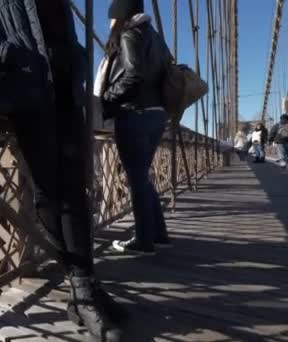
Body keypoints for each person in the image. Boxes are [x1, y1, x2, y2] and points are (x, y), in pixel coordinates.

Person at [0, 0, 122, 340]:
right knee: (51, 193)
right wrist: (14, 56)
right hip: (30, 95)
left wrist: (77, 58)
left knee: (76, 192)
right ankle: (84, 291)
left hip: (67, 95)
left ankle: (86, 289)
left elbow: (63, 32)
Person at [96, 0, 172, 255]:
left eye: (111, 17)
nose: (109, 23)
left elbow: (133, 75)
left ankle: (143, 241)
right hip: (156, 115)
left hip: (134, 114)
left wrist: (107, 98)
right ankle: (159, 234)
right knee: (142, 176)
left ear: (121, 15)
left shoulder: (129, 34)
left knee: (136, 178)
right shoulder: (156, 38)